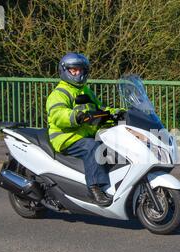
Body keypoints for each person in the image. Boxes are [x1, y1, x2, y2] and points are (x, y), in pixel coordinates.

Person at [46, 52, 123, 206]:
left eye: (80, 70)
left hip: (85, 134)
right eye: (74, 70)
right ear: (65, 71)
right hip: (66, 137)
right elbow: (57, 114)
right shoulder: (60, 93)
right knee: (93, 148)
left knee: (115, 146)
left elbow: (100, 108)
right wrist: (77, 116)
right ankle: (95, 188)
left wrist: (118, 113)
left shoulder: (86, 91)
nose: (78, 73)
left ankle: (114, 184)